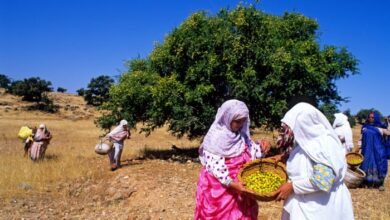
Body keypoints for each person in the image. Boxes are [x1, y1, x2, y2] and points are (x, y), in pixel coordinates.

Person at [271, 102, 354, 220]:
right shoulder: (306, 142)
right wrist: (283, 157)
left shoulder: (324, 144)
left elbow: (323, 180)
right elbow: (306, 156)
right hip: (306, 204)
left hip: (320, 208)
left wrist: (292, 187)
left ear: (303, 124)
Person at [194, 99, 270, 220]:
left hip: (241, 186)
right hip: (221, 188)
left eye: (243, 121)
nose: (240, 125)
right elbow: (215, 166)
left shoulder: (240, 135)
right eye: (237, 121)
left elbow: (250, 151)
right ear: (227, 117)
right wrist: (232, 184)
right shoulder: (215, 138)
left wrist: (262, 147)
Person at [358, 112, 390, 190]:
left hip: (378, 151)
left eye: (373, 117)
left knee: (379, 164)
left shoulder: (381, 128)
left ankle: (379, 184)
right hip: (367, 151)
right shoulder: (365, 127)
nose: (371, 119)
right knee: (366, 164)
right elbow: (361, 139)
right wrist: (358, 147)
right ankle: (366, 182)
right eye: (369, 117)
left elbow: (389, 133)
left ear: (376, 118)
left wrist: (388, 123)